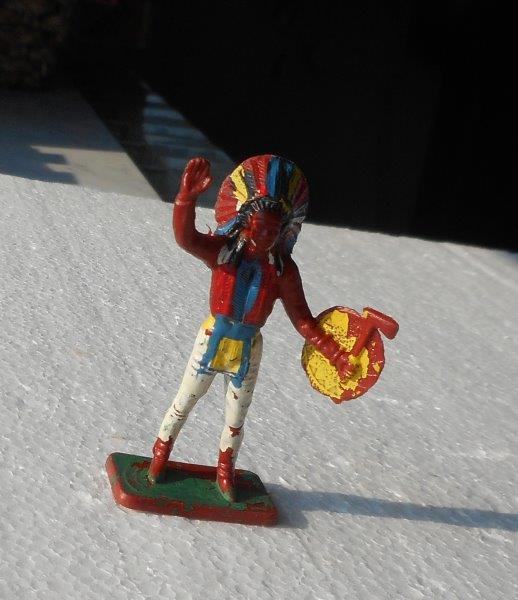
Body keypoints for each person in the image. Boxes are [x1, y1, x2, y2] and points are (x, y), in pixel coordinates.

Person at [148, 155, 354, 501]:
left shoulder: (283, 271)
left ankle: (225, 471)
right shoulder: (223, 252)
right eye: (258, 227)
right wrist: (185, 199)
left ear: (284, 232)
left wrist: (335, 353)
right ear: (244, 222)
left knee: (236, 417)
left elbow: (303, 319)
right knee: (184, 401)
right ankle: (159, 455)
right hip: (213, 339)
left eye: (272, 231)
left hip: (247, 349)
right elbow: (186, 238)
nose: (264, 236)